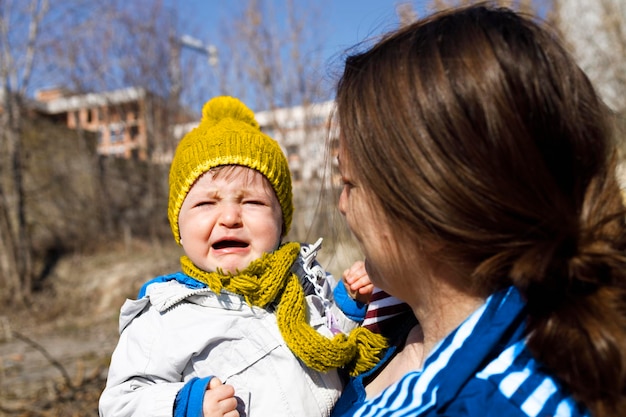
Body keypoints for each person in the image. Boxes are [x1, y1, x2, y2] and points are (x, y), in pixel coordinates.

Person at [331, 4, 626, 417]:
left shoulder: (504, 403)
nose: (341, 205)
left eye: (349, 183)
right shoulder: (407, 332)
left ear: (427, 202)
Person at [98, 96, 386, 417]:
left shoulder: (308, 282)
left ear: (281, 222)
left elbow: (336, 342)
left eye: (252, 202)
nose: (230, 217)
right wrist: (186, 406)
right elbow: (120, 403)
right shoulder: (164, 318)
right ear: (178, 225)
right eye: (207, 204)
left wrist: (350, 302)